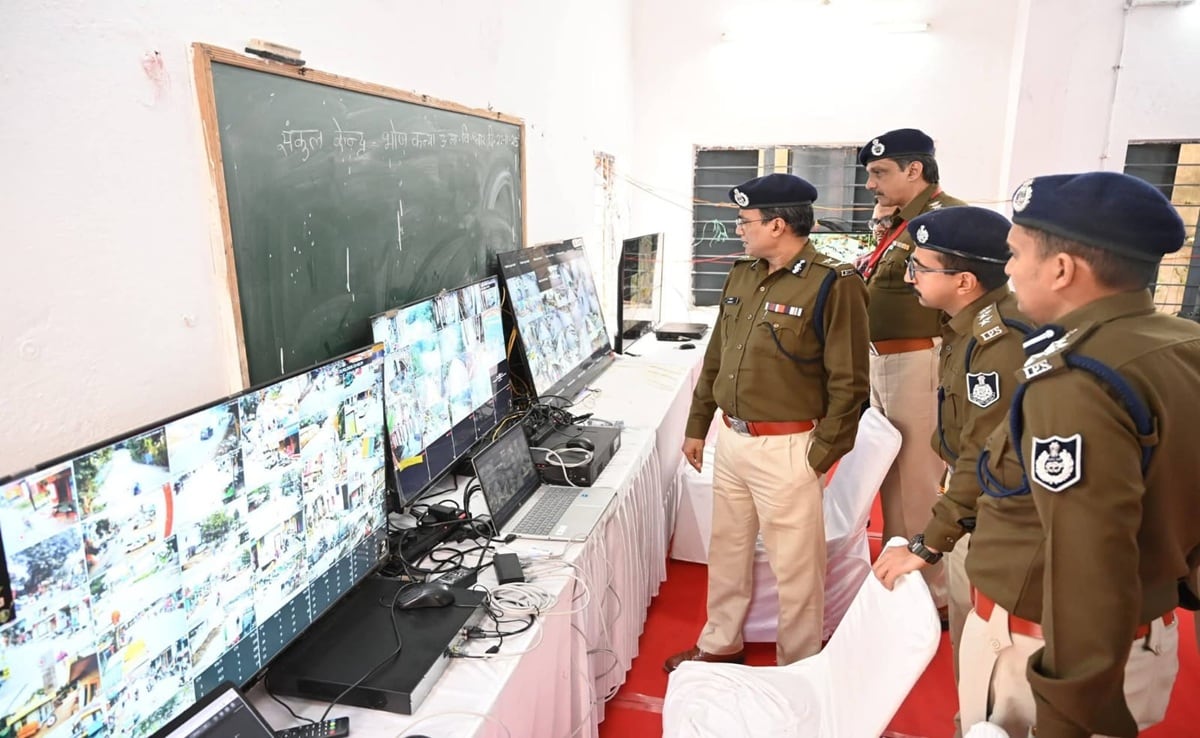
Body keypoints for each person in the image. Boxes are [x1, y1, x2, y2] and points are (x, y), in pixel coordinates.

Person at [963, 171, 1200, 738]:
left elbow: (1087, 562)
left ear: (1062, 269)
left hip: (1050, 654)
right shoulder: (1182, 343)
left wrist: (1068, 715)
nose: (1009, 270)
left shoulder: (1076, 381)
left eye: (1016, 254)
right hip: (1138, 633)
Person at [665, 173, 870, 671]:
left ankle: (799, 666)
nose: (739, 230)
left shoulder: (833, 283)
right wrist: (698, 425)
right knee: (727, 551)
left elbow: (850, 382)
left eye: (745, 221)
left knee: (796, 568)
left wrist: (820, 455)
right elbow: (717, 355)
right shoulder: (742, 273)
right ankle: (721, 643)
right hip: (733, 440)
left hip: (789, 448)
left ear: (777, 225)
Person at [870, 206, 1032, 735]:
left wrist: (929, 543)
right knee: (972, 647)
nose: (909, 277)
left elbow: (983, 457)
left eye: (920, 267)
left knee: (991, 659)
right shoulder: (966, 328)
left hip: (995, 521)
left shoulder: (998, 344)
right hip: (975, 509)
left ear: (964, 281)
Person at [858, 128, 965, 615]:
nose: (871, 184)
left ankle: (932, 596)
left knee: (918, 480)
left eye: (880, 173)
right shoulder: (902, 223)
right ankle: (902, 578)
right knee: (893, 477)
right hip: (886, 362)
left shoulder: (946, 220)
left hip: (919, 361)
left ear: (915, 169)